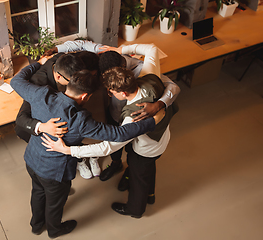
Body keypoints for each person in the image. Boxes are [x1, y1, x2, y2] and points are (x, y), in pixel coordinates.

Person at [10, 56, 164, 238]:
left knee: (37, 192)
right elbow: (119, 134)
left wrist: (39, 64)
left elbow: (15, 80)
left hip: (32, 159)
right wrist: (152, 121)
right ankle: (54, 230)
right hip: (54, 171)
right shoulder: (79, 120)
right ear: (85, 96)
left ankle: (36, 225)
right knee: (54, 202)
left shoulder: (41, 94)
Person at [41, 44, 178, 218]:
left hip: (146, 148)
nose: (110, 94)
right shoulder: (149, 75)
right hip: (163, 135)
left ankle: (135, 209)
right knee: (147, 169)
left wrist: (68, 150)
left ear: (121, 92)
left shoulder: (133, 116)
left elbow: (107, 147)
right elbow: (152, 49)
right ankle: (150, 195)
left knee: (140, 175)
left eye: (111, 91)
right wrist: (121, 50)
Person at [14, 51, 102, 179]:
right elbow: (21, 119)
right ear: (59, 77)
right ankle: (73, 164)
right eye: (71, 81)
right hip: (44, 126)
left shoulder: (63, 58)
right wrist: (42, 127)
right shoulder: (39, 84)